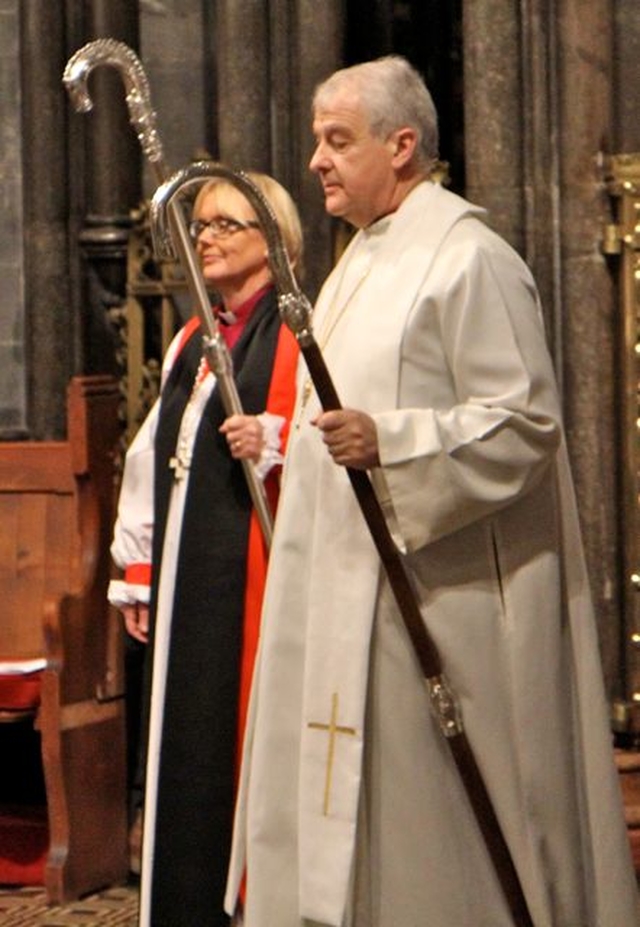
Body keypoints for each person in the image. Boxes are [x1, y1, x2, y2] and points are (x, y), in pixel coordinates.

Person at [224, 57, 639, 927]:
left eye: (338, 141)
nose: (316, 162)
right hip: (340, 593)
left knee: (431, 843)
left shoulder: (468, 257)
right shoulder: (359, 263)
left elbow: (524, 423)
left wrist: (395, 440)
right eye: (315, 141)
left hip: (433, 599)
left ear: (402, 145)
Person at [108, 171, 302, 927]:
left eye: (226, 224)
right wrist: (142, 569)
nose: (207, 237)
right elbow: (151, 456)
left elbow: (329, 437)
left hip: (252, 583)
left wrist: (274, 442)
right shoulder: (196, 337)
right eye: (202, 226)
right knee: (182, 752)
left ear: (273, 240)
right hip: (187, 586)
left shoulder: (295, 333)